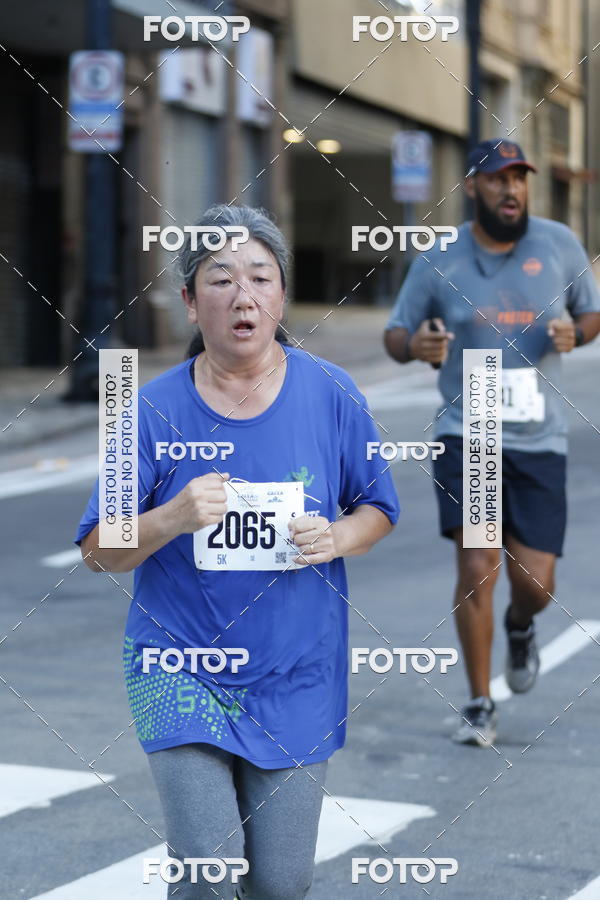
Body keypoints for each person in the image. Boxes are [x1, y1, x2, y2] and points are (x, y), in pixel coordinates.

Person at [76, 204, 399, 899]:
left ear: (282, 295)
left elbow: (377, 508)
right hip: (179, 667)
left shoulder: (331, 393)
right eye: (221, 280)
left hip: (297, 671)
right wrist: (170, 517)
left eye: (260, 277)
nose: (243, 295)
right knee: (208, 869)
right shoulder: (147, 411)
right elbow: (100, 549)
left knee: (281, 885)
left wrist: (336, 536)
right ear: (192, 303)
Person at [384, 139, 600, 747]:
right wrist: (415, 346)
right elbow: (396, 332)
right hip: (469, 429)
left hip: (539, 433)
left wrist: (576, 333)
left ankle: (520, 624)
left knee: (536, 583)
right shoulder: (440, 257)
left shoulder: (558, 244)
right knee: (478, 564)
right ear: (472, 187)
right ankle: (480, 702)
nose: (512, 190)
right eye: (499, 179)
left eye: (520, 179)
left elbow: (591, 312)